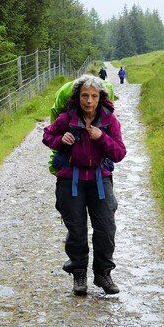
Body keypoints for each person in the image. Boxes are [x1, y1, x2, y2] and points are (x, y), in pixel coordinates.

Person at [42, 74, 127, 295]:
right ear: (78, 97)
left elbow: (119, 153)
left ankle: (103, 274)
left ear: (100, 98)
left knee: (106, 229)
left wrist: (102, 137)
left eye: (93, 96)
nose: (89, 100)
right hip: (71, 180)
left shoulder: (109, 121)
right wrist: (60, 140)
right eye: (85, 95)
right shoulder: (67, 118)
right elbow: (47, 135)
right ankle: (79, 274)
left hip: (100, 180)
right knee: (77, 230)